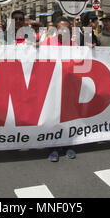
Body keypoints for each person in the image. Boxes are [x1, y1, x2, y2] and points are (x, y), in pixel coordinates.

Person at [40, 17, 77, 161]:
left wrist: (89, 50)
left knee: (67, 117)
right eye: (61, 28)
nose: (64, 30)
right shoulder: (47, 43)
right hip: (52, 87)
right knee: (53, 117)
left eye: (67, 28)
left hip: (68, 86)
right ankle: (53, 146)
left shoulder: (73, 44)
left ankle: (68, 144)